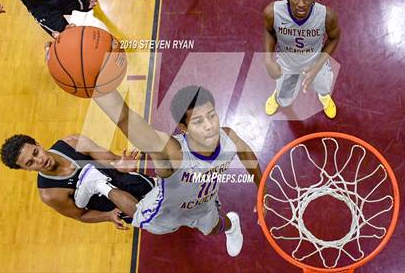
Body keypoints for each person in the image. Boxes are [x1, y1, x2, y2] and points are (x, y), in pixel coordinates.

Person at [74, 85, 264, 257]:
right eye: (198, 121)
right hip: (166, 210)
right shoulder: (172, 152)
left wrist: (261, 188)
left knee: (214, 228)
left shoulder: (228, 137)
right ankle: (98, 183)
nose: (209, 125)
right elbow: (124, 117)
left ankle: (232, 227)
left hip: (203, 203)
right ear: (183, 127)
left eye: (212, 115)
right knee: (138, 214)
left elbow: (246, 154)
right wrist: (95, 80)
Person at [0, 133, 155, 229]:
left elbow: (112, 161)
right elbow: (80, 215)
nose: (39, 160)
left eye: (35, 152)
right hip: (118, 208)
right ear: (25, 170)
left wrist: (122, 164)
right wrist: (108, 216)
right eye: (30, 163)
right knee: (156, 222)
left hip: (133, 183)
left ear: (38, 144)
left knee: (174, 198)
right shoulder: (50, 193)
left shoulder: (73, 142)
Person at [264, 0, 341, 118]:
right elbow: (269, 31)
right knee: (285, 100)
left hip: (315, 62)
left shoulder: (327, 16)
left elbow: (334, 38)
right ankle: (277, 96)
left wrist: (317, 66)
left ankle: (324, 98)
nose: (301, 4)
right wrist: (268, 59)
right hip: (287, 64)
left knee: (324, 88)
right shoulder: (272, 12)